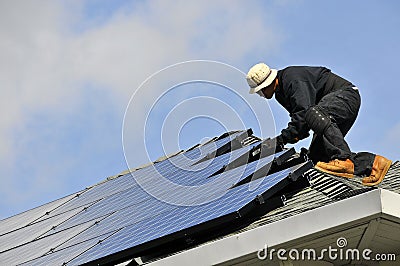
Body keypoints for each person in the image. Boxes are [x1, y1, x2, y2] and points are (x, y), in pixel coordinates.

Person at [246, 63, 392, 186]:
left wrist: (281, 140)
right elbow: (301, 127)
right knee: (317, 160)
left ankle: (343, 159)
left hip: (345, 97)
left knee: (313, 113)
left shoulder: (292, 79)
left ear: (268, 83)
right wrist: (287, 138)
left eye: (261, 91)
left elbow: (304, 114)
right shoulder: (281, 92)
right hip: (326, 114)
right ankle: (374, 163)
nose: (261, 95)